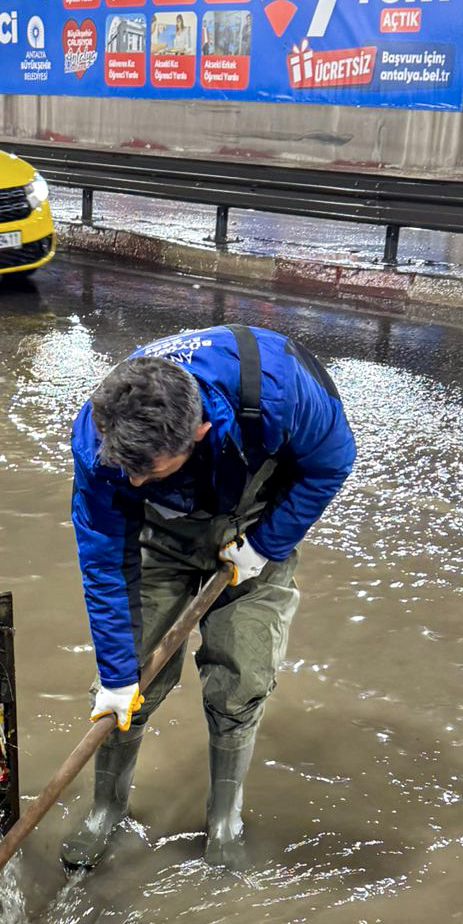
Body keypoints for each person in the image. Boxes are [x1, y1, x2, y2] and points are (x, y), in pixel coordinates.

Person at [65, 324, 355, 869]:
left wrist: (266, 545)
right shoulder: (100, 437)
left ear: (197, 433)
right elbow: (104, 559)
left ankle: (225, 815)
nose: (127, 480)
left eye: (142, 472)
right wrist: (116, 675)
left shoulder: (277, 390)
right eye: (121, 469)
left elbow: (330, 464)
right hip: (160, 534)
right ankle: (107, 809)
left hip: (255, 524)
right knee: (134, 678)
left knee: (241, 675)